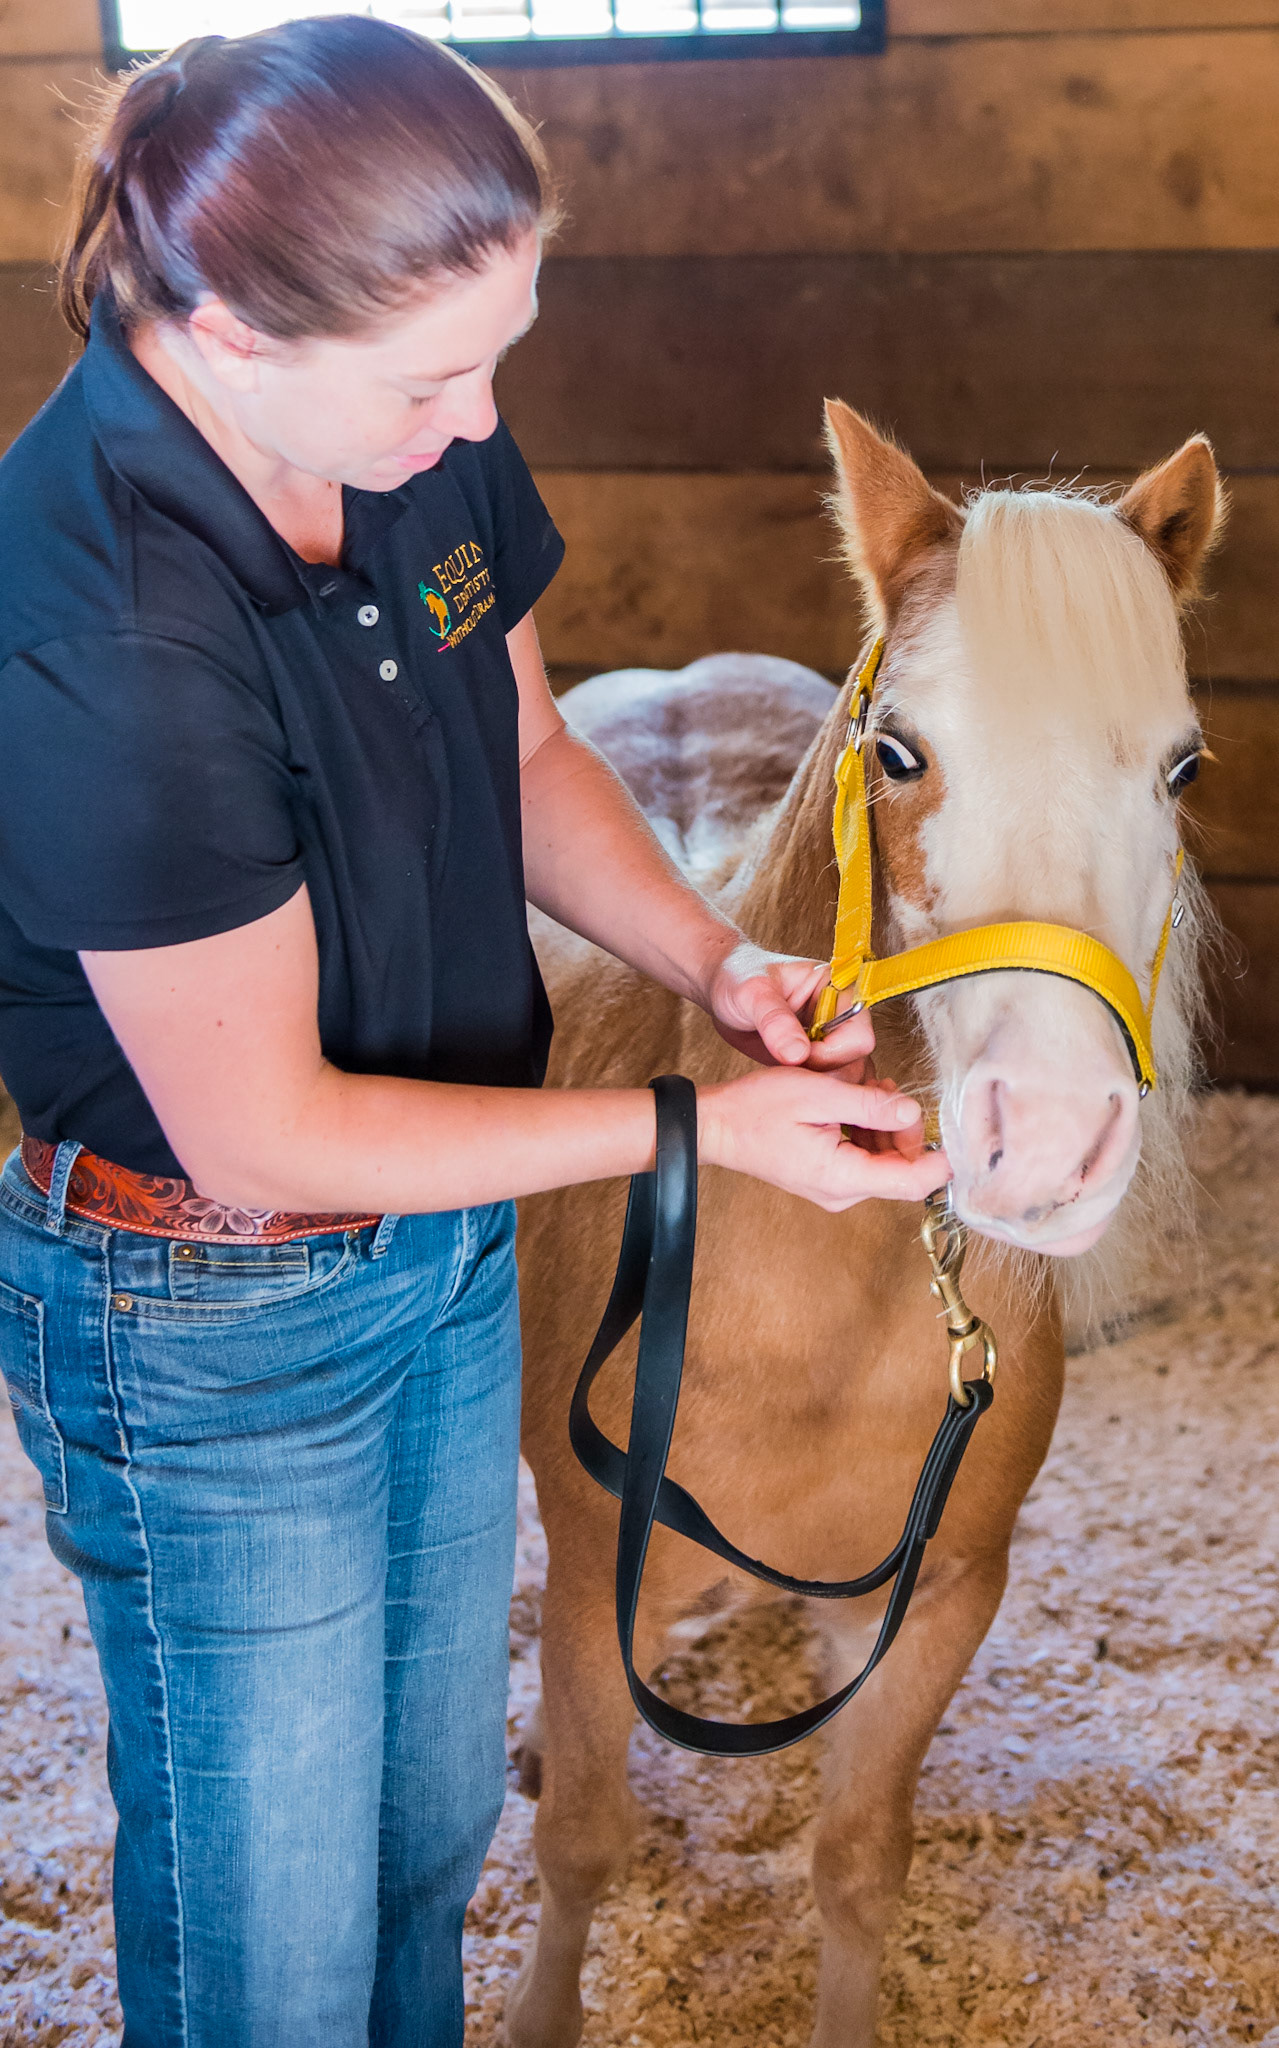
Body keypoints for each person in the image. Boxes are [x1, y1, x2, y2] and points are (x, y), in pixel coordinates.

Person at [0, 17, 947, 2045]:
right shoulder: (104, 618)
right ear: (232, 336)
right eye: (436, 377)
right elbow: (257, 1133)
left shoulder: (407, 436)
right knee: (269, 1934)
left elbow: (520, 744)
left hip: (436, 1248)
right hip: (207, 1304)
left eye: (503, 349)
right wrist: (690, 1127)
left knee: (425, 1834)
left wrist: (712, 965)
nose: (481, 419)